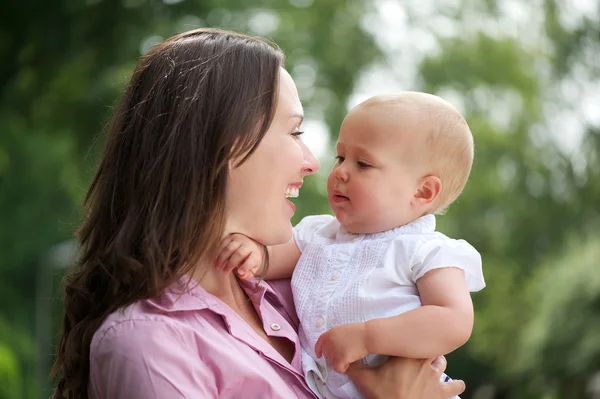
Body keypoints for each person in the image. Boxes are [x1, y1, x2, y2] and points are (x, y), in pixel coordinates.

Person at [50, 28, 466, 399]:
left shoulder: (300, 290)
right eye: (295, 131)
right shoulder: (149, 346)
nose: (314, 163)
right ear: (224, 146)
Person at [215, 92, 485, 398]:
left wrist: (369, 337)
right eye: (340, 157)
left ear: (423, 191)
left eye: (364, 164)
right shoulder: (320, 233)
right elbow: (278, 257)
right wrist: (256, 255)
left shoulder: (426, 250)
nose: (341, 171)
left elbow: (454, 320)